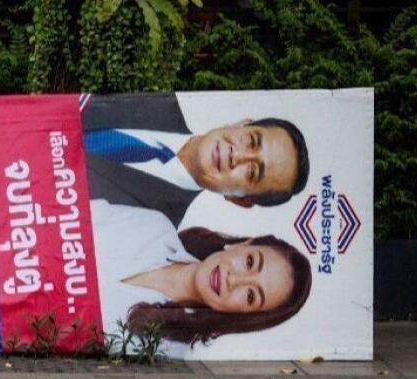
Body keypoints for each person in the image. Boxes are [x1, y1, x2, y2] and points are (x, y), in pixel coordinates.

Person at [90, 199, 312, 354]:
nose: (233, 280)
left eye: (251, 295)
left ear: (243, 315)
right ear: (243, 244)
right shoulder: (154, 226)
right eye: (250, 262)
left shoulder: (165, 350)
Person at [81, 93, 310, 227]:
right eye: (251, 141)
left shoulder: (153, 226)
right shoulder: (159, 98)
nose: (236, 155)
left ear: (240, 201)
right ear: (242, 123)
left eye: (252, 172)